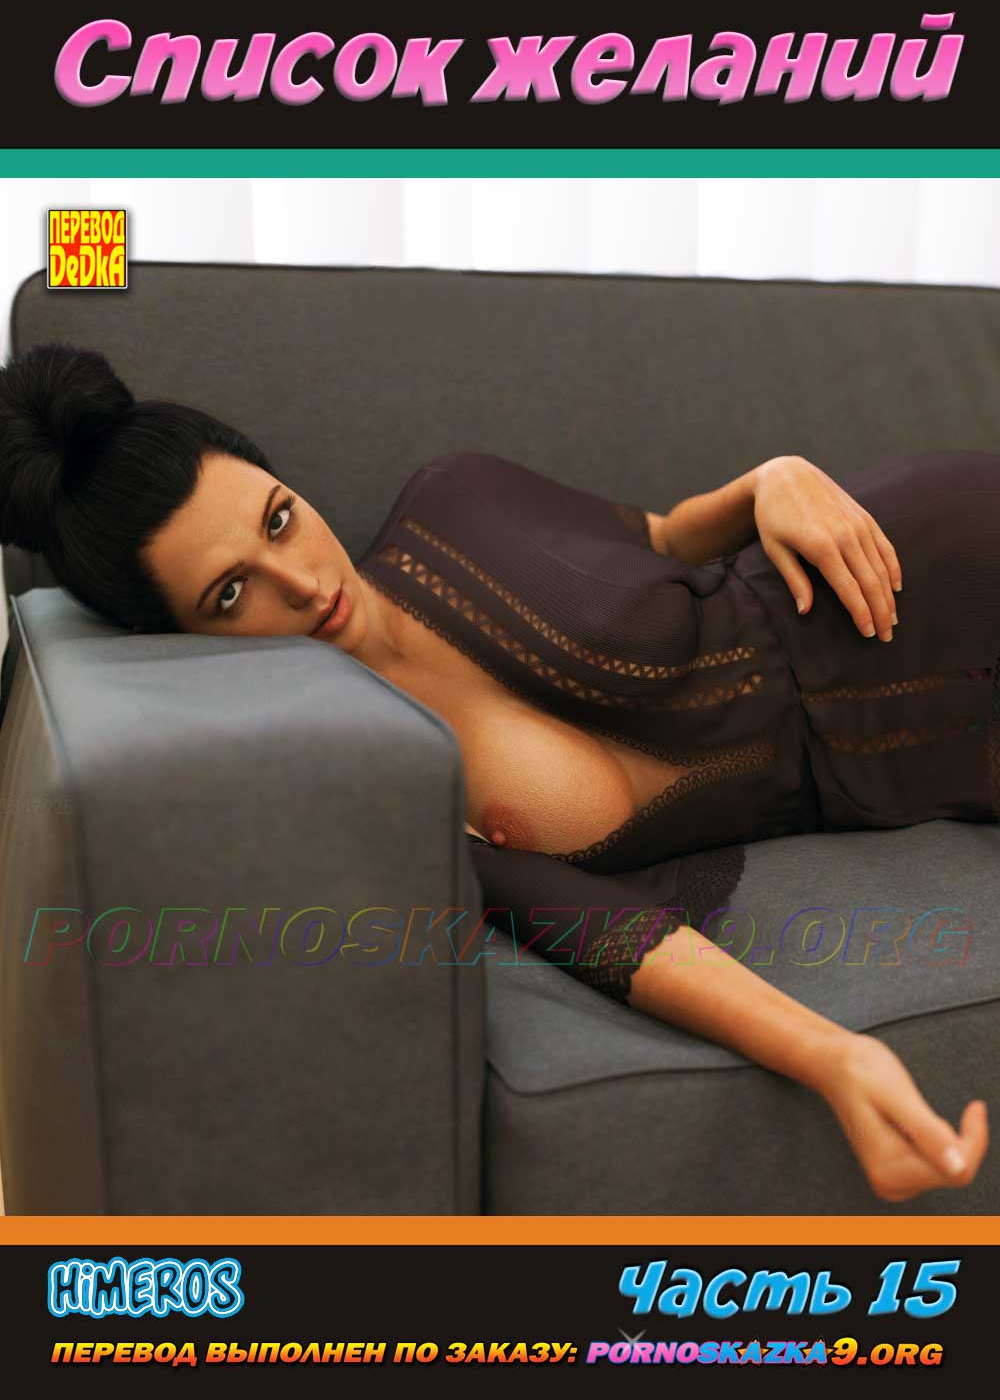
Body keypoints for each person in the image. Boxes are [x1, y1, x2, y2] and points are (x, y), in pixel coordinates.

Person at [0, 341, 993, 1206]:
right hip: (920, 764)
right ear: (181, 641)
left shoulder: (454, 499)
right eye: (230, 594)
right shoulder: (391, 773)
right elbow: (616, 938)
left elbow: (654, 535)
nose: (301, 581)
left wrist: (769, 481)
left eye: (278, 519)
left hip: (919, 561)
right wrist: (832, 1054)